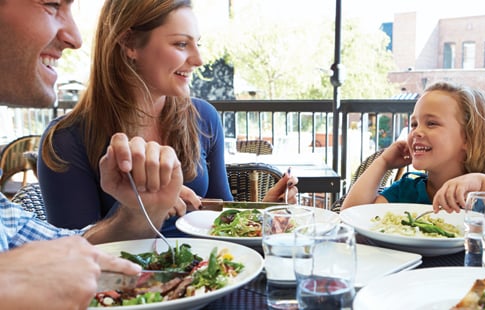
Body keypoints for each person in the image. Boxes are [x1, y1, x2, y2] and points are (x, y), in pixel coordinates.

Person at [38, 0, 298, 237]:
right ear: (129, 44)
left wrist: (263, 215)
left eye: (198, 43)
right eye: (181, 44)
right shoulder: (65, 140)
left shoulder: (203, 118)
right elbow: (72, 258)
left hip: (208, 277)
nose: (198, 59)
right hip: (128, 286)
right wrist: (142, 210)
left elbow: (219, 221)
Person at [0, 0, 186, 308]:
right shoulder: (68, 136)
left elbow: (63, 251)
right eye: (51, 4)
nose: (75, 37)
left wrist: (140, 211)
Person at [341, 81, 485, 252]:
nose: (416, 132)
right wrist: (383, 162)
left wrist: (483, 182)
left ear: (468, 138)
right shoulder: (408, 190)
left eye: (431, 123)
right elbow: (352, 219)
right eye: (414, 124)